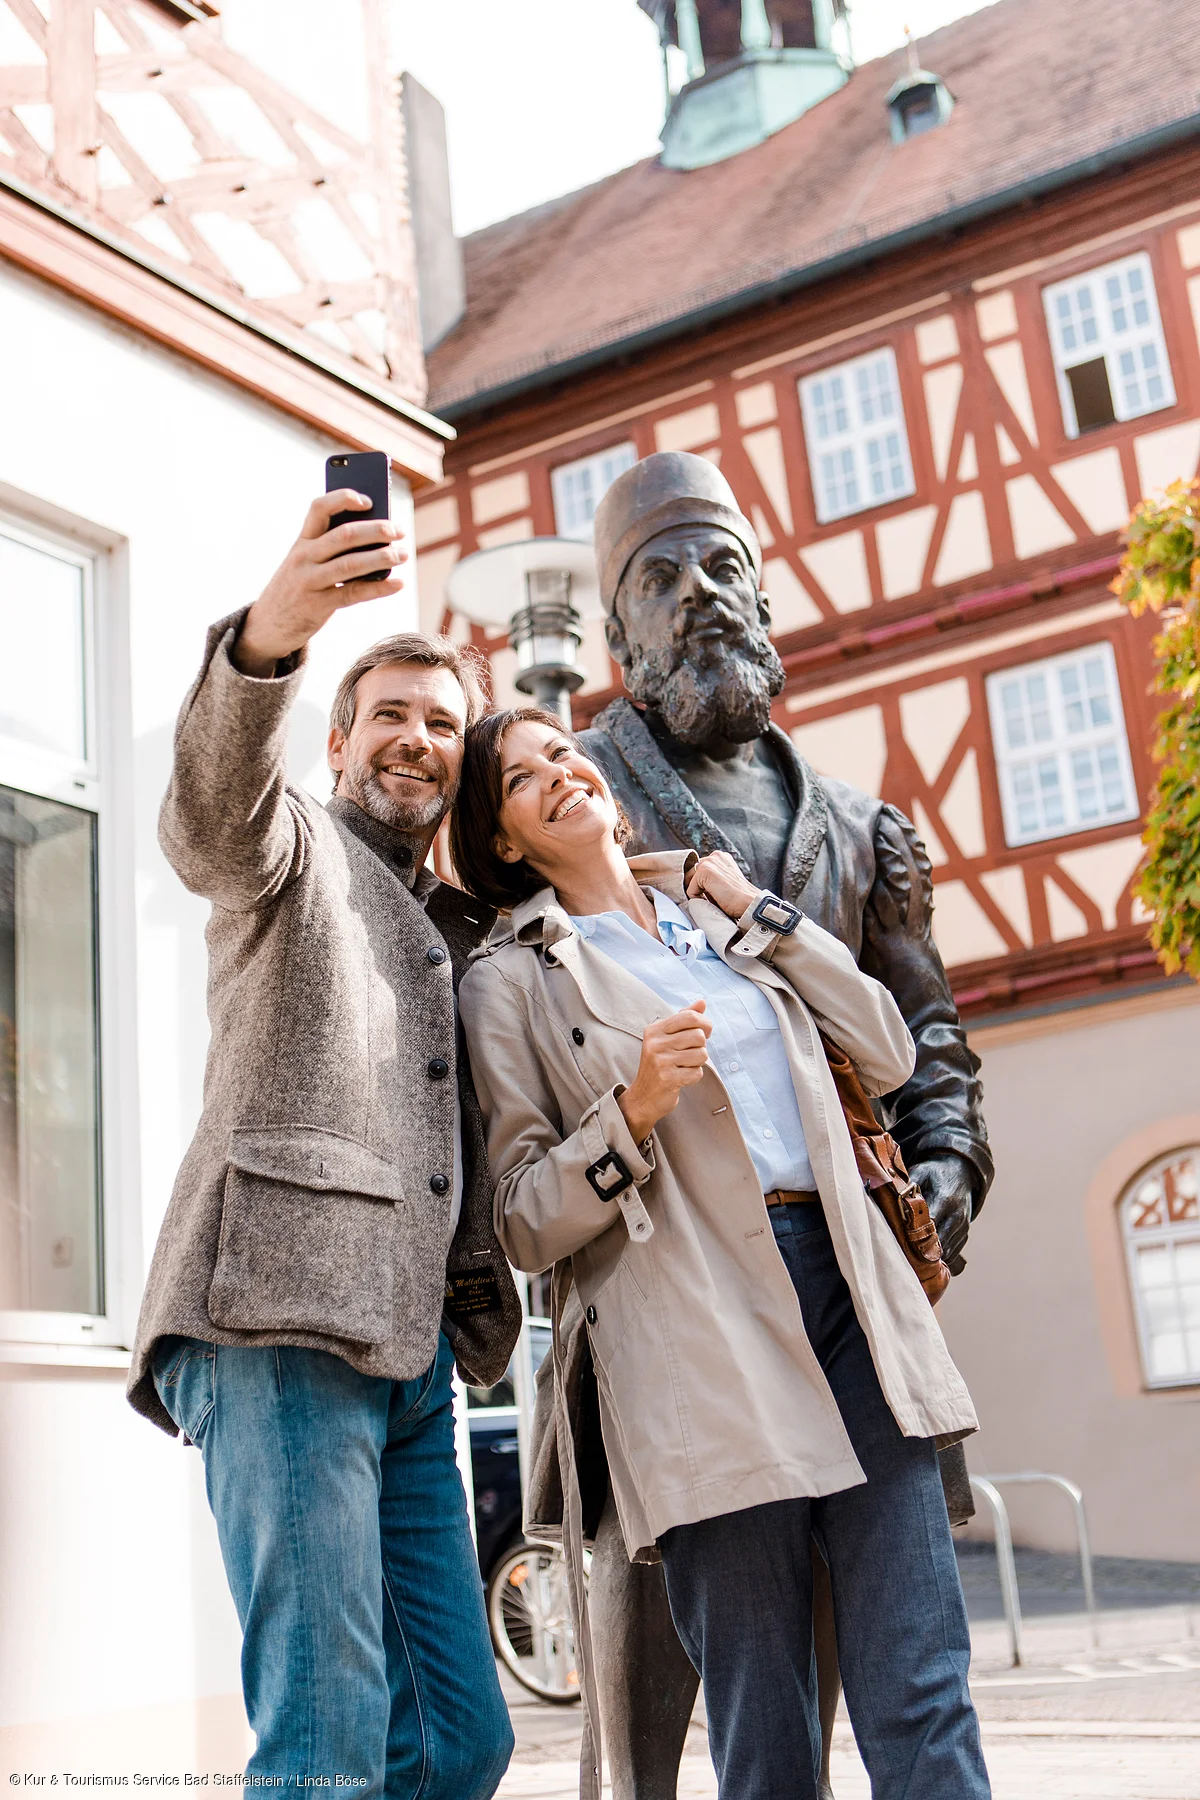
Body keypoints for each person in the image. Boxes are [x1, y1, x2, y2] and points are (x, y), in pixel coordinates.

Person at [452, 705, 992, 1800]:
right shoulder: (511, 980)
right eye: (520, 778)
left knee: (921, 1677)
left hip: (851, 1296)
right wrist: (631, 1110)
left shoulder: (716, 906)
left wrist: (757, 909)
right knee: (765, 1717)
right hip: (696, 1340)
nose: (559, 772)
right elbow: (520, 1220)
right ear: (504, 840)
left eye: (562, 750)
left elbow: (885, 1049)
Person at [125, 488, 520, 1796]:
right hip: (276, 1318)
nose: (417, 740)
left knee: (460, 1740)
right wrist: (278, 630)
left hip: (413, 1359)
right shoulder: (289, 853)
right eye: (392, 716)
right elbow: (211, 810)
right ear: (339, 741)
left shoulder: (445, 926)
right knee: (328, 1739)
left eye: (443, 725)